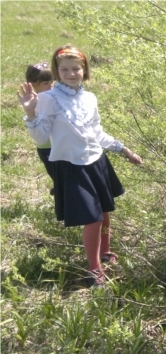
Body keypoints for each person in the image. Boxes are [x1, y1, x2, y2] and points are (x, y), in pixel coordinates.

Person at [18, 45, 143, 287]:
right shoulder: (47, 98)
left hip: (96, 160)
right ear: (57, 71)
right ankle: (94, 269)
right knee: (92, 218)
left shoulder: (89, 97)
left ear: (84, 69)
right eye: (64, 69)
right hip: (72, 165)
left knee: (105, 211)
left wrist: (124, 149)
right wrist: (30, 113)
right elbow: (40, 136)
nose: (71, 73)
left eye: (76, 68)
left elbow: (97, 131)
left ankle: (105, 252)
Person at [25, 62, 56, 194]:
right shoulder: (36, 100)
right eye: (45, 83)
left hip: (55, 143)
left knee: (59, 173)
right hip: (47, 146)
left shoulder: (50, 96)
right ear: (32, 85)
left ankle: (60, 188)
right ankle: (60, 191)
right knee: (56, 173)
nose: (51, 86)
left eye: (52, 82)